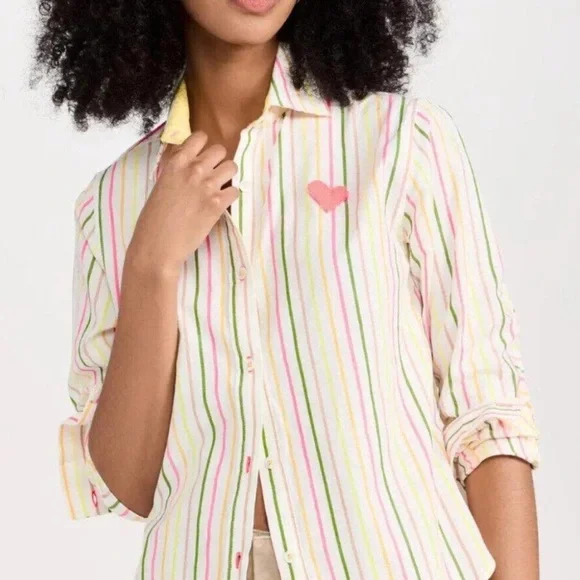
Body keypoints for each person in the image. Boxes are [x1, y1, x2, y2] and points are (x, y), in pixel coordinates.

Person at [35, 0, 540, 578]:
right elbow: (127, 482)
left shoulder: (401, 143)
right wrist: (152, 263)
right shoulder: (112, 203)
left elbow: (487, 411)